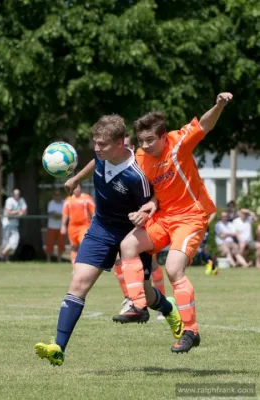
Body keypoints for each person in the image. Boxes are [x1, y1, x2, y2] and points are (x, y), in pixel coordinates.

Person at [35, 114, 182, 366]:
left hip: (132, 235)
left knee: (145, 296)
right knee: (79, 282)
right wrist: (76, 178)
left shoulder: (137, 175)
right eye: (95, 142)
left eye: (102, 144)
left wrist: (143, 214)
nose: (96, 148)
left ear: (119, 144)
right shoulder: (102, 157)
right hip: (101, 229)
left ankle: (168, 309)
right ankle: (58, 347)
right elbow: (94, 163)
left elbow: (154, 206)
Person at [112, 92, 233, 354]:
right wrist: (150, 206)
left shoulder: (179, 143)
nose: (144, 146)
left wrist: (219, 105)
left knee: (174, 269)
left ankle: (191, 331)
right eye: (141, 141)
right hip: (164, 217)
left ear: (163, 136)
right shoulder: (140, 160)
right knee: (127, 245)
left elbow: (205, 124)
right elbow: (151, 191)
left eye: (150, 140)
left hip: (191, 215)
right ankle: (138, 305)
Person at [114, 133, 167, 318]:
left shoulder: (143, 165)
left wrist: (145, 211)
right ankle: (130, 297)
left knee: (151, 265)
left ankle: (163, 302)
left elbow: (158, 192)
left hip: (147, 222)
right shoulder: (115, 166)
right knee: (119, 261)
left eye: (128, 145)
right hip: (124, 221)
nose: (125, 149)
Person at [61, 183, 95, 268]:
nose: (76, 189)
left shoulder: (86, 198)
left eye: (77, 187)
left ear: (81, 188)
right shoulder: (68, 200)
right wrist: (63, 225)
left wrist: (95, 224)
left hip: (84, 225)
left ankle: (84, 265)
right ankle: (74, 267)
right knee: (74, 246)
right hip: (72, 227)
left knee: (83, 243)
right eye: (74, 188)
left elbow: (93, 211)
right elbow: (65, 214)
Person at [1, 189, 27, 261]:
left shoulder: (22, 201)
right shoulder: (9, 200)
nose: (17, 195)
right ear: (12, 194)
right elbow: (8, 212)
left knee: (14, 241)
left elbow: (25, 212)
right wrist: (18, 212)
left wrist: (18, 212)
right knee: (5, 242)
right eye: (15, 194)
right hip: (7, 223)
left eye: (18, 194)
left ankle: (2, 255)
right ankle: (5, 260)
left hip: (15, 224)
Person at [46, 189, 65, 262]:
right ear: (53, 196)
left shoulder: (64, 202)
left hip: (61, 227)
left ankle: (59, 259)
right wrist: (60, 215)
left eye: (59, 195)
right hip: (52, 226)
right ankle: (48, 259)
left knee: (61, 244)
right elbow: (51, 214)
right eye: (56, 195)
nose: (57, 196)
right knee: (50, 243)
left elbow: (65, 214)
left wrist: (58, 215)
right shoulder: (51, 203)